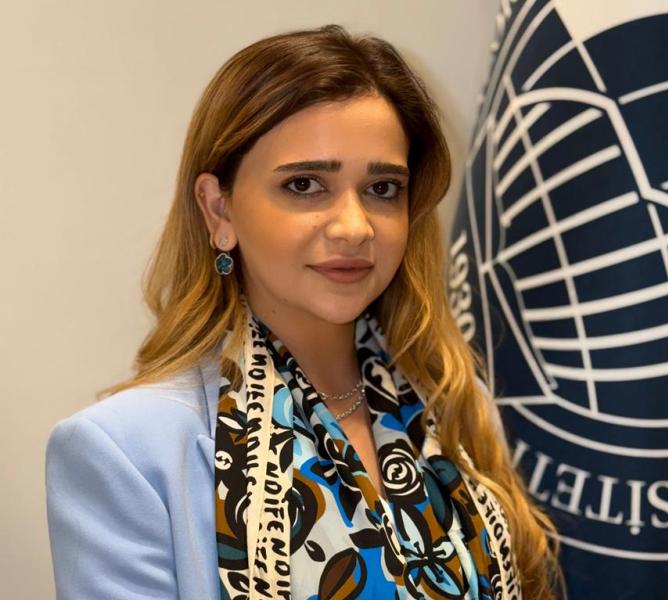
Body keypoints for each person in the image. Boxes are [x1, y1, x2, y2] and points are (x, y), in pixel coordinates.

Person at [45, 24, 563, 600]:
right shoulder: (126, 452)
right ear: (219, 211)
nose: (354, 227)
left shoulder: (457, 402)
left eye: (382, 188)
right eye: (305, 184)